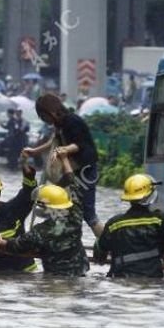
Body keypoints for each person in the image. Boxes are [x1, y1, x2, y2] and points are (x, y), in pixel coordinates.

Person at [0, 149, 89, 277]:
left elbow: (18, 245)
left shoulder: (40, 232)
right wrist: (65, 159)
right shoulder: (76, 216)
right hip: (81, 273)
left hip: (55, 278)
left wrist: (1, 242)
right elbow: (72, 183)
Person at [23, 93, 103, 237]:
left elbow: (80, 144)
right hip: (72, 169)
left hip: (86, 170)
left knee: (88, 212)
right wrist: (35, 151)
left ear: (51, 111)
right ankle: (62, 238)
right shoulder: (59, 124)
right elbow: (53, 142)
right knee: (58, 202)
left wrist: (65, 150)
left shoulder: (72, 121)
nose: (43, 119)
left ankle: (106, 245)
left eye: (43, 116)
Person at [94, 174, 164, 278]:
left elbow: (100, 254)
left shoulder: (114, 224)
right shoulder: (159, 221)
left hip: (120, 281)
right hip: (152, 279)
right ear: (150, 196)